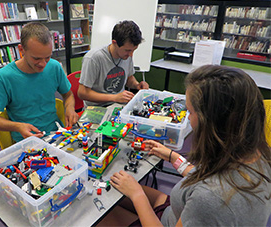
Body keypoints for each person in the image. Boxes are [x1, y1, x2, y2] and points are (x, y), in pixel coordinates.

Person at [98, 65, 271, 226]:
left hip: (168, 220)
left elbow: (207, 197)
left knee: (101, 218)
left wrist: (137, 195)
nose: (188, 118)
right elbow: (208, 181)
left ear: (211, 123)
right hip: (176, 209)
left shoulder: (210, 199)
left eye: (191, 111)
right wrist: (174, 158)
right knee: (116, 188)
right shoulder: (256, 155)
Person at [0, 22, 79, 143]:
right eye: (36, 58)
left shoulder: (54, 67)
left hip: (57, 134)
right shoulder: (4, 77)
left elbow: (68, 95)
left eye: (47, 57)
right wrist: (18, 126)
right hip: (26, 141)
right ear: (21, 50)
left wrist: (70, 108)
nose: (43, 64)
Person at [78, 20, 149, 108]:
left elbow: (128, 78)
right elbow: (82, 93)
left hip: (118, 105)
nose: (131, 55)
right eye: (127, 50)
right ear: (114, 43)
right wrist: (114, 97)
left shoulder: (126, 55)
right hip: (96, 108)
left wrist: (137, 85)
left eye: (133, 50)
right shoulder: (94, 58)